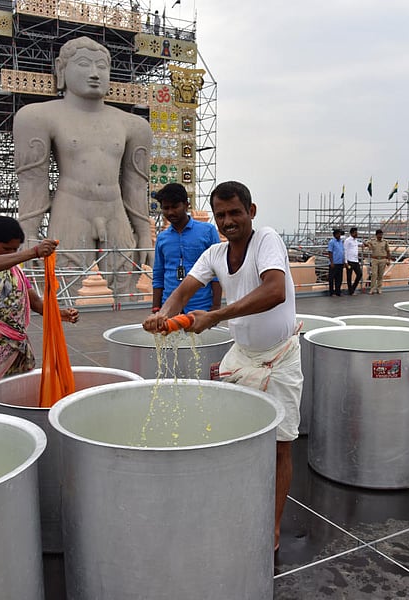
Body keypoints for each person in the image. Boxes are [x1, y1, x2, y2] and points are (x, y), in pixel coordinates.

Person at [143, 181, 302, 552]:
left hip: (279, 355)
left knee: (280, 445)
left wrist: (215, 316)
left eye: (235, 212)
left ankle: (273, 526)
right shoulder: (215, 253)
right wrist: (163, 314)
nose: (229, 221)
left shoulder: (266, 240)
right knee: (237, 435)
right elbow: (183, 290)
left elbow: (275, 290)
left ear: (251, 211)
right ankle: (238, 501)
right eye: (221, 215)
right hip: (242, 354)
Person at [14, 37, 153, 297]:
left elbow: (136, 184)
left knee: (124, 289)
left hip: (114, 211)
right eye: (83, 64)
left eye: (102, 66)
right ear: (60, 69)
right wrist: (28, 236)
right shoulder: (37, 116)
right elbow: (33, 181)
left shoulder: (133, 125)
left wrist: (145, 234)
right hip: (71, 209)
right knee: (66, 290)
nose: (94, 73)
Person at [0, 216, 79, 411]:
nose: (13, 254)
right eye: (7, 249)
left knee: (14, 398)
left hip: (15, 346)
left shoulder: (15, 270)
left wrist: (61, 314)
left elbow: (37, 303)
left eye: (15, 250)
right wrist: (33, 253)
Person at [152, 183, 222, 314]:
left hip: (201, 306)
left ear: (186, 204)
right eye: (166, 208)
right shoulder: (162, 238)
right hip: (169, 307)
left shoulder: (207, 231)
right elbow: (158, 275)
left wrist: (216, 306)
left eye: (175, 206)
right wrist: (156, 308)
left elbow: (216, 272)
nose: (170, 212)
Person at [364, 228, 392, 294]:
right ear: (376, 235)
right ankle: (372, 289)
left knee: (380, 275)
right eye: (379, 234)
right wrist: (368, 245)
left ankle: (379, 288)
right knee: (374, 274)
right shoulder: (372, 241)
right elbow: (365, 243)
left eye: (381, 234)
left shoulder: (385, 242)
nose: (380, 236)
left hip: (383, 259)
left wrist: (388, 260)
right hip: (375, 259)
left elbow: (388, 251)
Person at [344, 227, 363, 295]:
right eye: (355, 232)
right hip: (349, 261)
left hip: (355, 260)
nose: (357, 234)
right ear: (352, 233)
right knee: (349, 276)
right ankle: (351, 291)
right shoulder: (347, 240)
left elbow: (359, 244)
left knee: (359, 274)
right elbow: (345, 250)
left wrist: (364, 244)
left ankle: (353, 288)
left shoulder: (355, 240)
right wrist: (345, 261)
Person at [326, 228, 345, 296]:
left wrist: (343, 261)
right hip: (334, 262)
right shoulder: (331, 242)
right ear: (335, 235)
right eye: (338, 234)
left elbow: (342, 251)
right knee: (331, 278)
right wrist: (331, 262)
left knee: (339, 278)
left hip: (340, 262)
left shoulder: (341, 242)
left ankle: (338, 291)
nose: (339, 235)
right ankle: (331, 292)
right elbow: (330, 252)